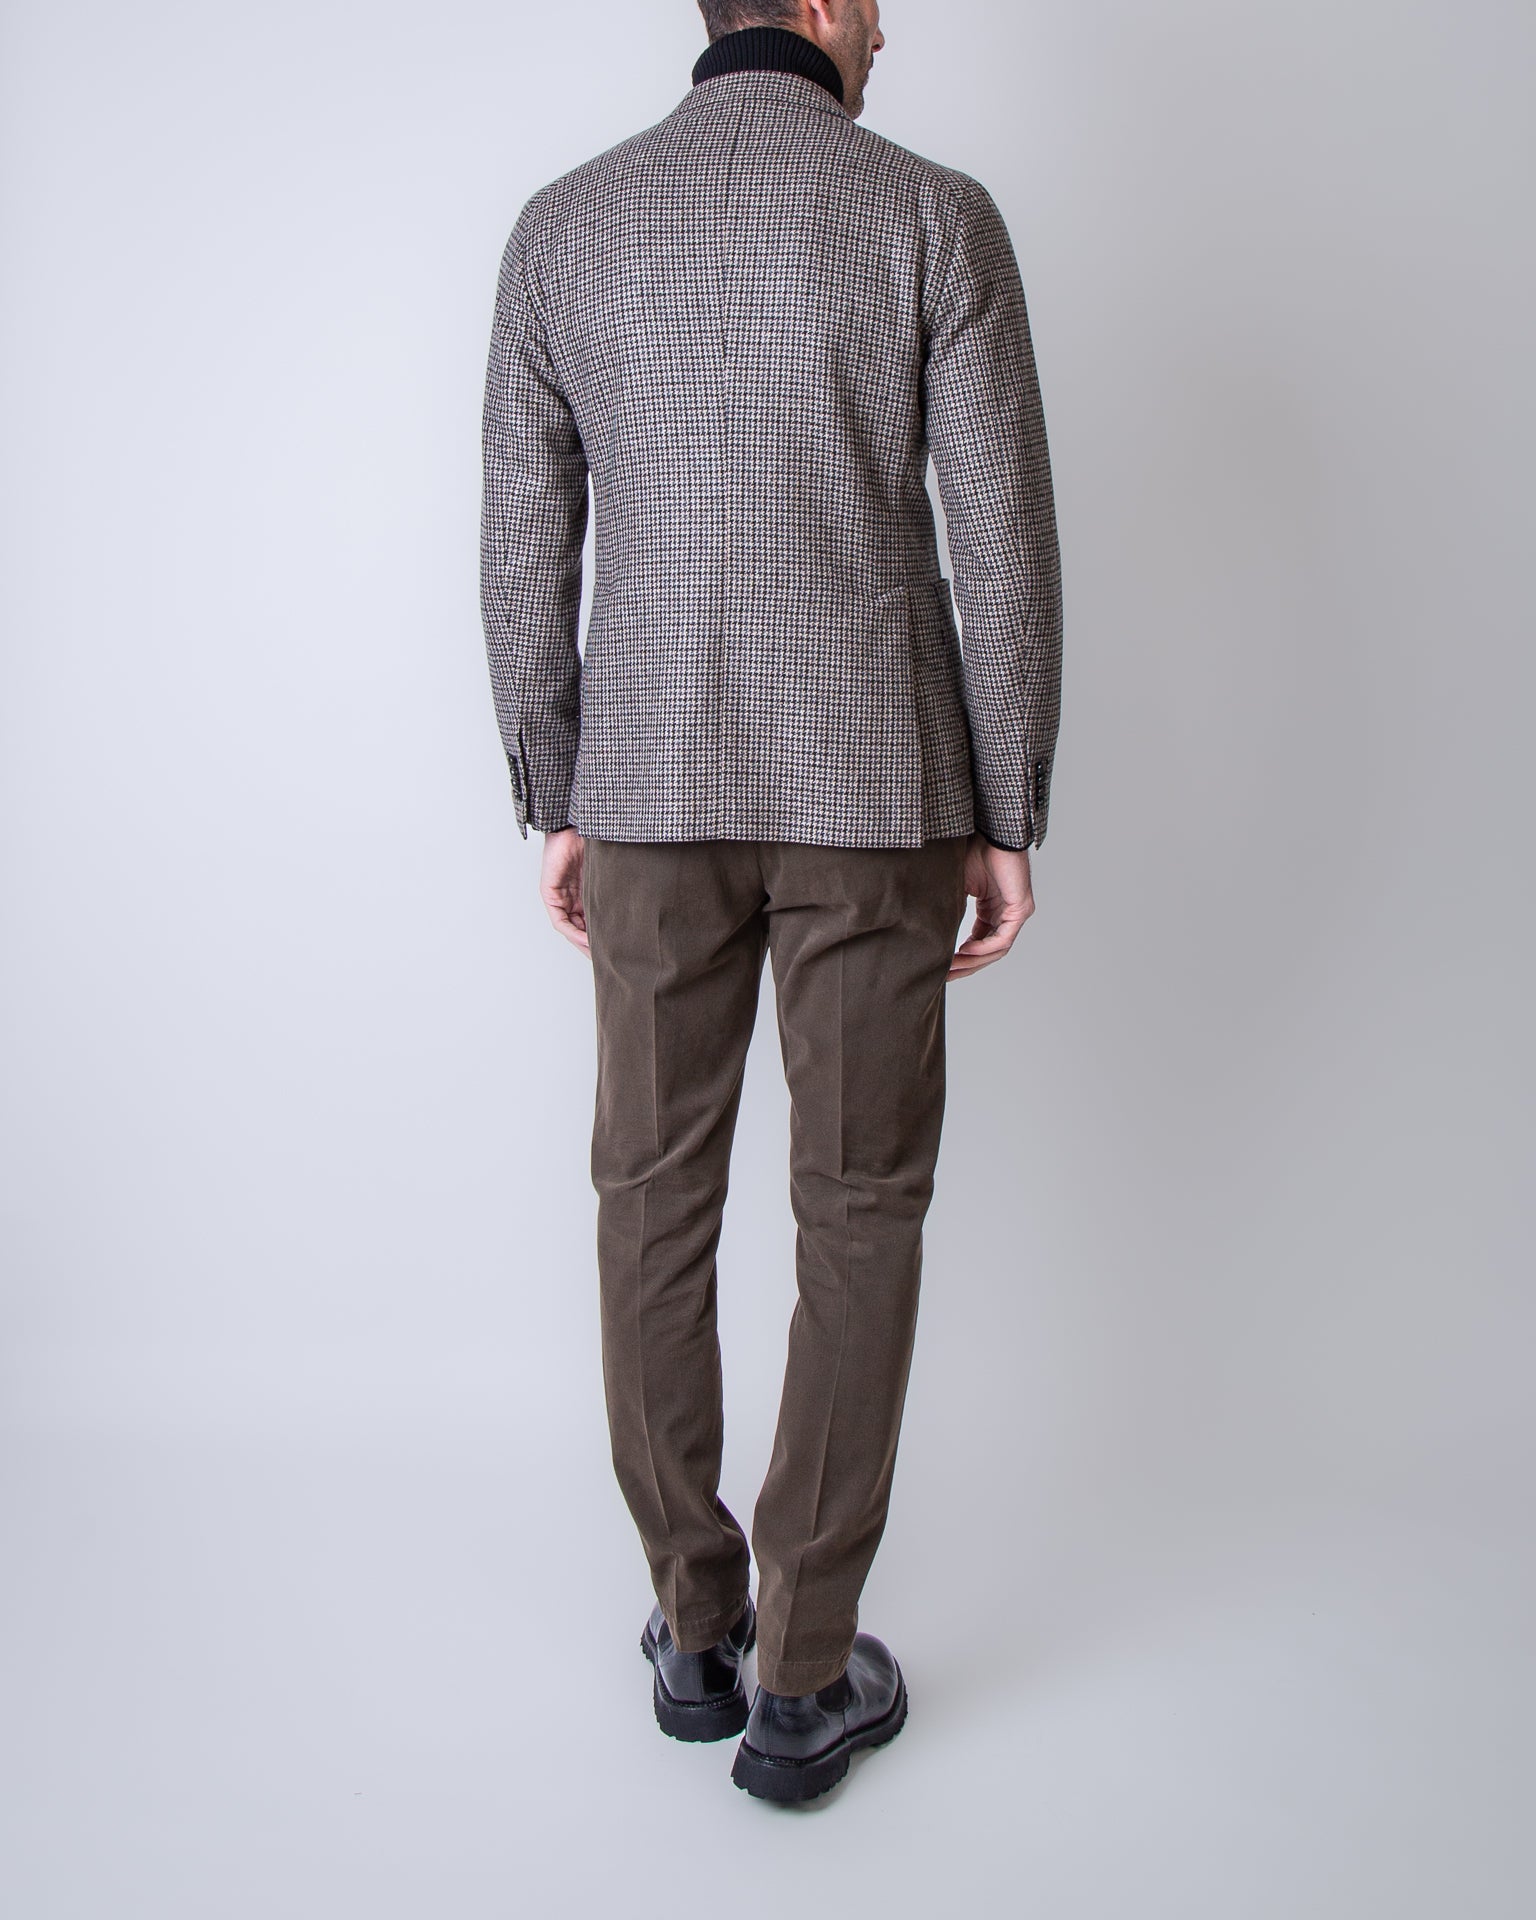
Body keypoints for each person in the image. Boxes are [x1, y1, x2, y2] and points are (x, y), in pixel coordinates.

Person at [478, 0, 1062, 1803]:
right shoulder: (933, 216)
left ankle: (697, 1628)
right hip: (879, 793)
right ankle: (806, 1677)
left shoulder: (567, 226)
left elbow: (524, 536)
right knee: (860, 1208)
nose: (889, 26)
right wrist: (1008, 803)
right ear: (816, 5)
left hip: (649, 793)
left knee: (649, 1196)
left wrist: (555, 787)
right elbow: (1003, 547)